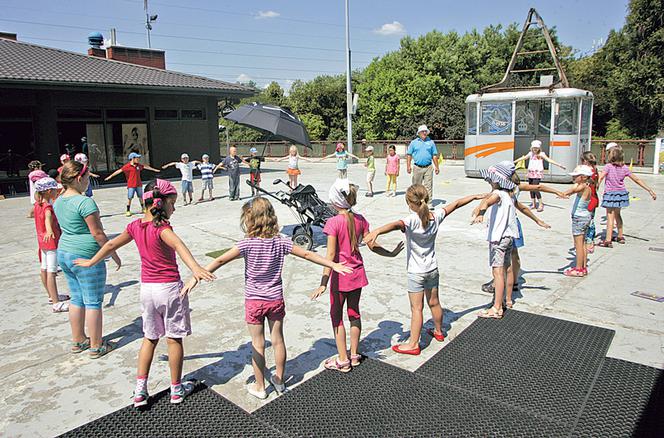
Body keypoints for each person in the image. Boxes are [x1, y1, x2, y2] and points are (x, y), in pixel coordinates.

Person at [182, 197, 352, 398]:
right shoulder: (281, 242)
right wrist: (333, 265)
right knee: (278, 340)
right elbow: (306, 255)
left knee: (258, 343)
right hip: (275, 299)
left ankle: (260, 386)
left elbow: (220, 259)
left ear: (250, 219)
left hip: (254, 301)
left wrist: (197, 276)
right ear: (271, 217)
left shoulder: (246, 243)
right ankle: (279, 379)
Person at [75, 179, 216, 407]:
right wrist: (196, 269)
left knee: (149, 339)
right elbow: (179, 246)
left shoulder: (134, 227)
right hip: (169, 289)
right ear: (163, 203)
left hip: (147, 290)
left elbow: (111, 246)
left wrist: (92, 261)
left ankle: (140, 390)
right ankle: (176, 390)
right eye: (173, 203)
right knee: (174, 340)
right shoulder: (163, 229)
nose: (174, 208)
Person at [364, 185, 485, 355]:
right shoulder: (436, 217)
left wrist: (377, 231)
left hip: (416, 272)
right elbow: (457, 203)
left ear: (409, 202)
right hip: (432, 269)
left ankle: (413, 344)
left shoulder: (411, 220)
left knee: (417, 309)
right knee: (434, 302)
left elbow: (395, 225)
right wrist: (474, 196)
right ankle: (439, 331)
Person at [310, 179, 404, 372]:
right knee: (354, 313)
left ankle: (342, 360)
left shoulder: (333, 222)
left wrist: (323, 282)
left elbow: (330, 256)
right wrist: (391, 253)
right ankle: (354, 355)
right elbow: (372, 245)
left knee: (337, 316)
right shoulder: (361, 219)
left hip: (339, 276)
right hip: (357, 274)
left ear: (335, 200)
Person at [54, 160, 121, 358]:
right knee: (93, 301)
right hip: (86, 254)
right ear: (78, 178)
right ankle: (96, 344)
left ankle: (78, 339)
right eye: (87, 177)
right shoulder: (85, 202)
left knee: (76, 298)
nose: (88, 181)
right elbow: (98, 233)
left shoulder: (59, 200)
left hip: (64, 252)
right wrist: (113, 252)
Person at [478, 173, 556, 296]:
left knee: (501, 261)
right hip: (514, 224)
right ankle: (512, 283)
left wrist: (480, 211)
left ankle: (498, 285)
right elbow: (527, 202)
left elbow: (488, 201)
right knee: (513, 255)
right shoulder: (514, 190)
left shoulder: (502, 193)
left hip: (505, 225)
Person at [471, 162, 520, 319]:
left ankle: (496, 307)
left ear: (497, 180)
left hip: (498, 240)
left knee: (497, 272)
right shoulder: (508, 195)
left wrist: (481, 213)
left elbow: (487, 201)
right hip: (508, 238)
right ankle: (505, 300)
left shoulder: (498, 194)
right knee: (505, 270)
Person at [597, 147, 657, 247]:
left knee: (610, 217)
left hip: (610, 194)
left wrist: (596, 186)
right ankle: (620, 236)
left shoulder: (608, 167)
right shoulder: (625, 168)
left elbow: (601, 177)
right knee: (618, 215)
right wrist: (649, 189)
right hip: (621, 195)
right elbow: (636, 179)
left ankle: (608, 240)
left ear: (611, 156)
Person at [33, 177, 70, 313]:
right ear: (49, 191)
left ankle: (51, 295)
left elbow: (33, 215)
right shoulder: (48, 207)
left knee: (44, 268)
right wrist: (49, 230)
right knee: (51, 271)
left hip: (41, 241)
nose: (57, 192)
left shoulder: (37, 205)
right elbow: (48, 219)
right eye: (55, 190)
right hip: (51, 242)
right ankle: (56, 303)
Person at [513, 140, 566, 211]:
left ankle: (541, 204)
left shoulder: (541, 154)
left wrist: (559, 165)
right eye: (534, 148)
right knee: (530, 188)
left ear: (539, 148)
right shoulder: (530, 154)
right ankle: (533, 204)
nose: (535, 149)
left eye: (536, 148)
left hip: (537, 173)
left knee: (536, 188)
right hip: (531, 172)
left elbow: (548, 160)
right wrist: (513, 162)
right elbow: (523, 158)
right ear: (531, 148)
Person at [561, 165, 594, 277]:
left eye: (576, 176)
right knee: (583, 243)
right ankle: (583, 267)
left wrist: (562, 193)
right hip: (585, 217)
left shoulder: (583, 187)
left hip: (579, 218)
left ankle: (578, 268)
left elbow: (573, 190)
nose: (573, 178)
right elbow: (575, 187)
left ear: (584, 177)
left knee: (578, 244)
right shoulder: (587, 186)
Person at [406, 125, 439, 206]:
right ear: (419, 133)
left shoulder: (431, 142)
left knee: (428, 186)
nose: (424, 132)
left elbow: (434, 155)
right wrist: (408, 166)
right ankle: (416, 202)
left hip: (428, 167)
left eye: (425, 131)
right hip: (417, 167)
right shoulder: (413, 143)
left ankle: (429, 203)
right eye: (423, 131)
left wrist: (437, 167)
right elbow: (409, 155)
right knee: (416, 186)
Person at [582, 152, 600, 254]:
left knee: (588, 222)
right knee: (590, 220)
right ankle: (589, 240)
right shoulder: (595, 170)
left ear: (585, 161)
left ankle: (589, 241)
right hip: (594, 199)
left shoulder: (588, 172)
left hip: (589, 201)